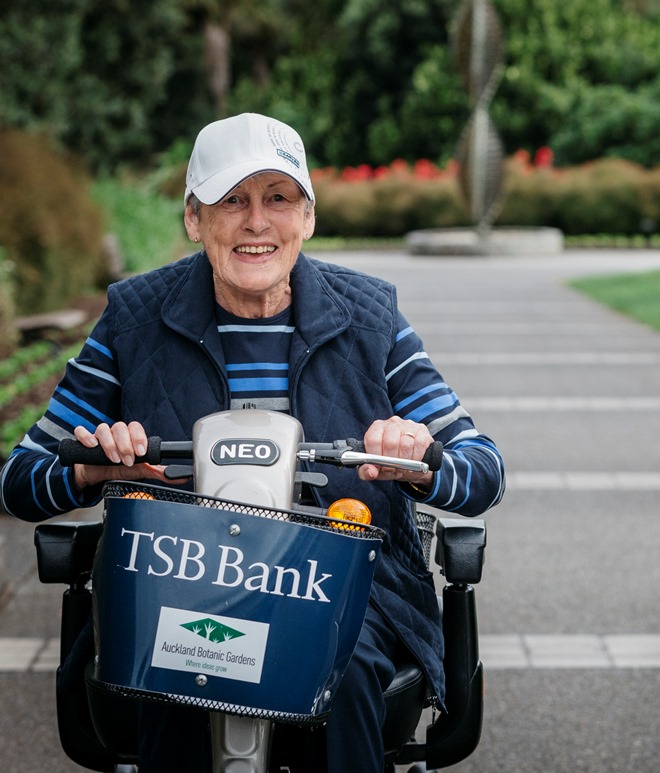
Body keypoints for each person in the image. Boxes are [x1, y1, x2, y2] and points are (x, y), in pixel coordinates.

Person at [0, 112, 505, 771]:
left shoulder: (372, 318)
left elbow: (483, 469)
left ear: (308, 217)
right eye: (231, 200)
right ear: (194, 218)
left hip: (342, 590)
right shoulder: (132, 319)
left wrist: (420, 458)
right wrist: (92, 470)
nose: (256, 222)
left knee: (339, 672)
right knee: (174, 672)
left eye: (278, 198)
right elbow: (20, 478)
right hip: (176, 582)